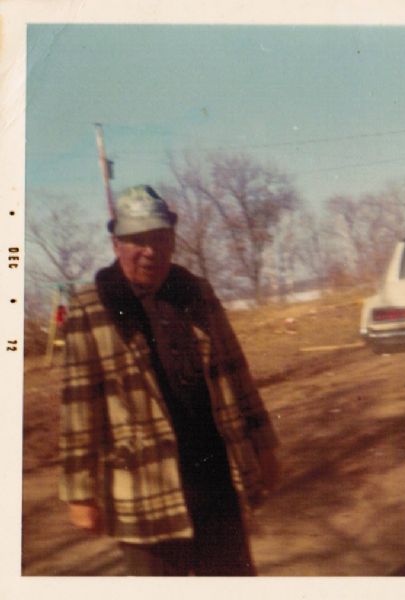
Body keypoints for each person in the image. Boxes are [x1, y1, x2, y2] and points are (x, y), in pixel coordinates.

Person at [59, 185, 280, 576]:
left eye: (160, 238)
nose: (151, 251)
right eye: (138, 240)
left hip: (214, 477)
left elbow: (236, 372)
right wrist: (80, 492)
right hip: (145, 485)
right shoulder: (92, 307)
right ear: (116, 244)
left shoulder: (196, 292)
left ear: (173, 240)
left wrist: (264, 445)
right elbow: (80, 406)